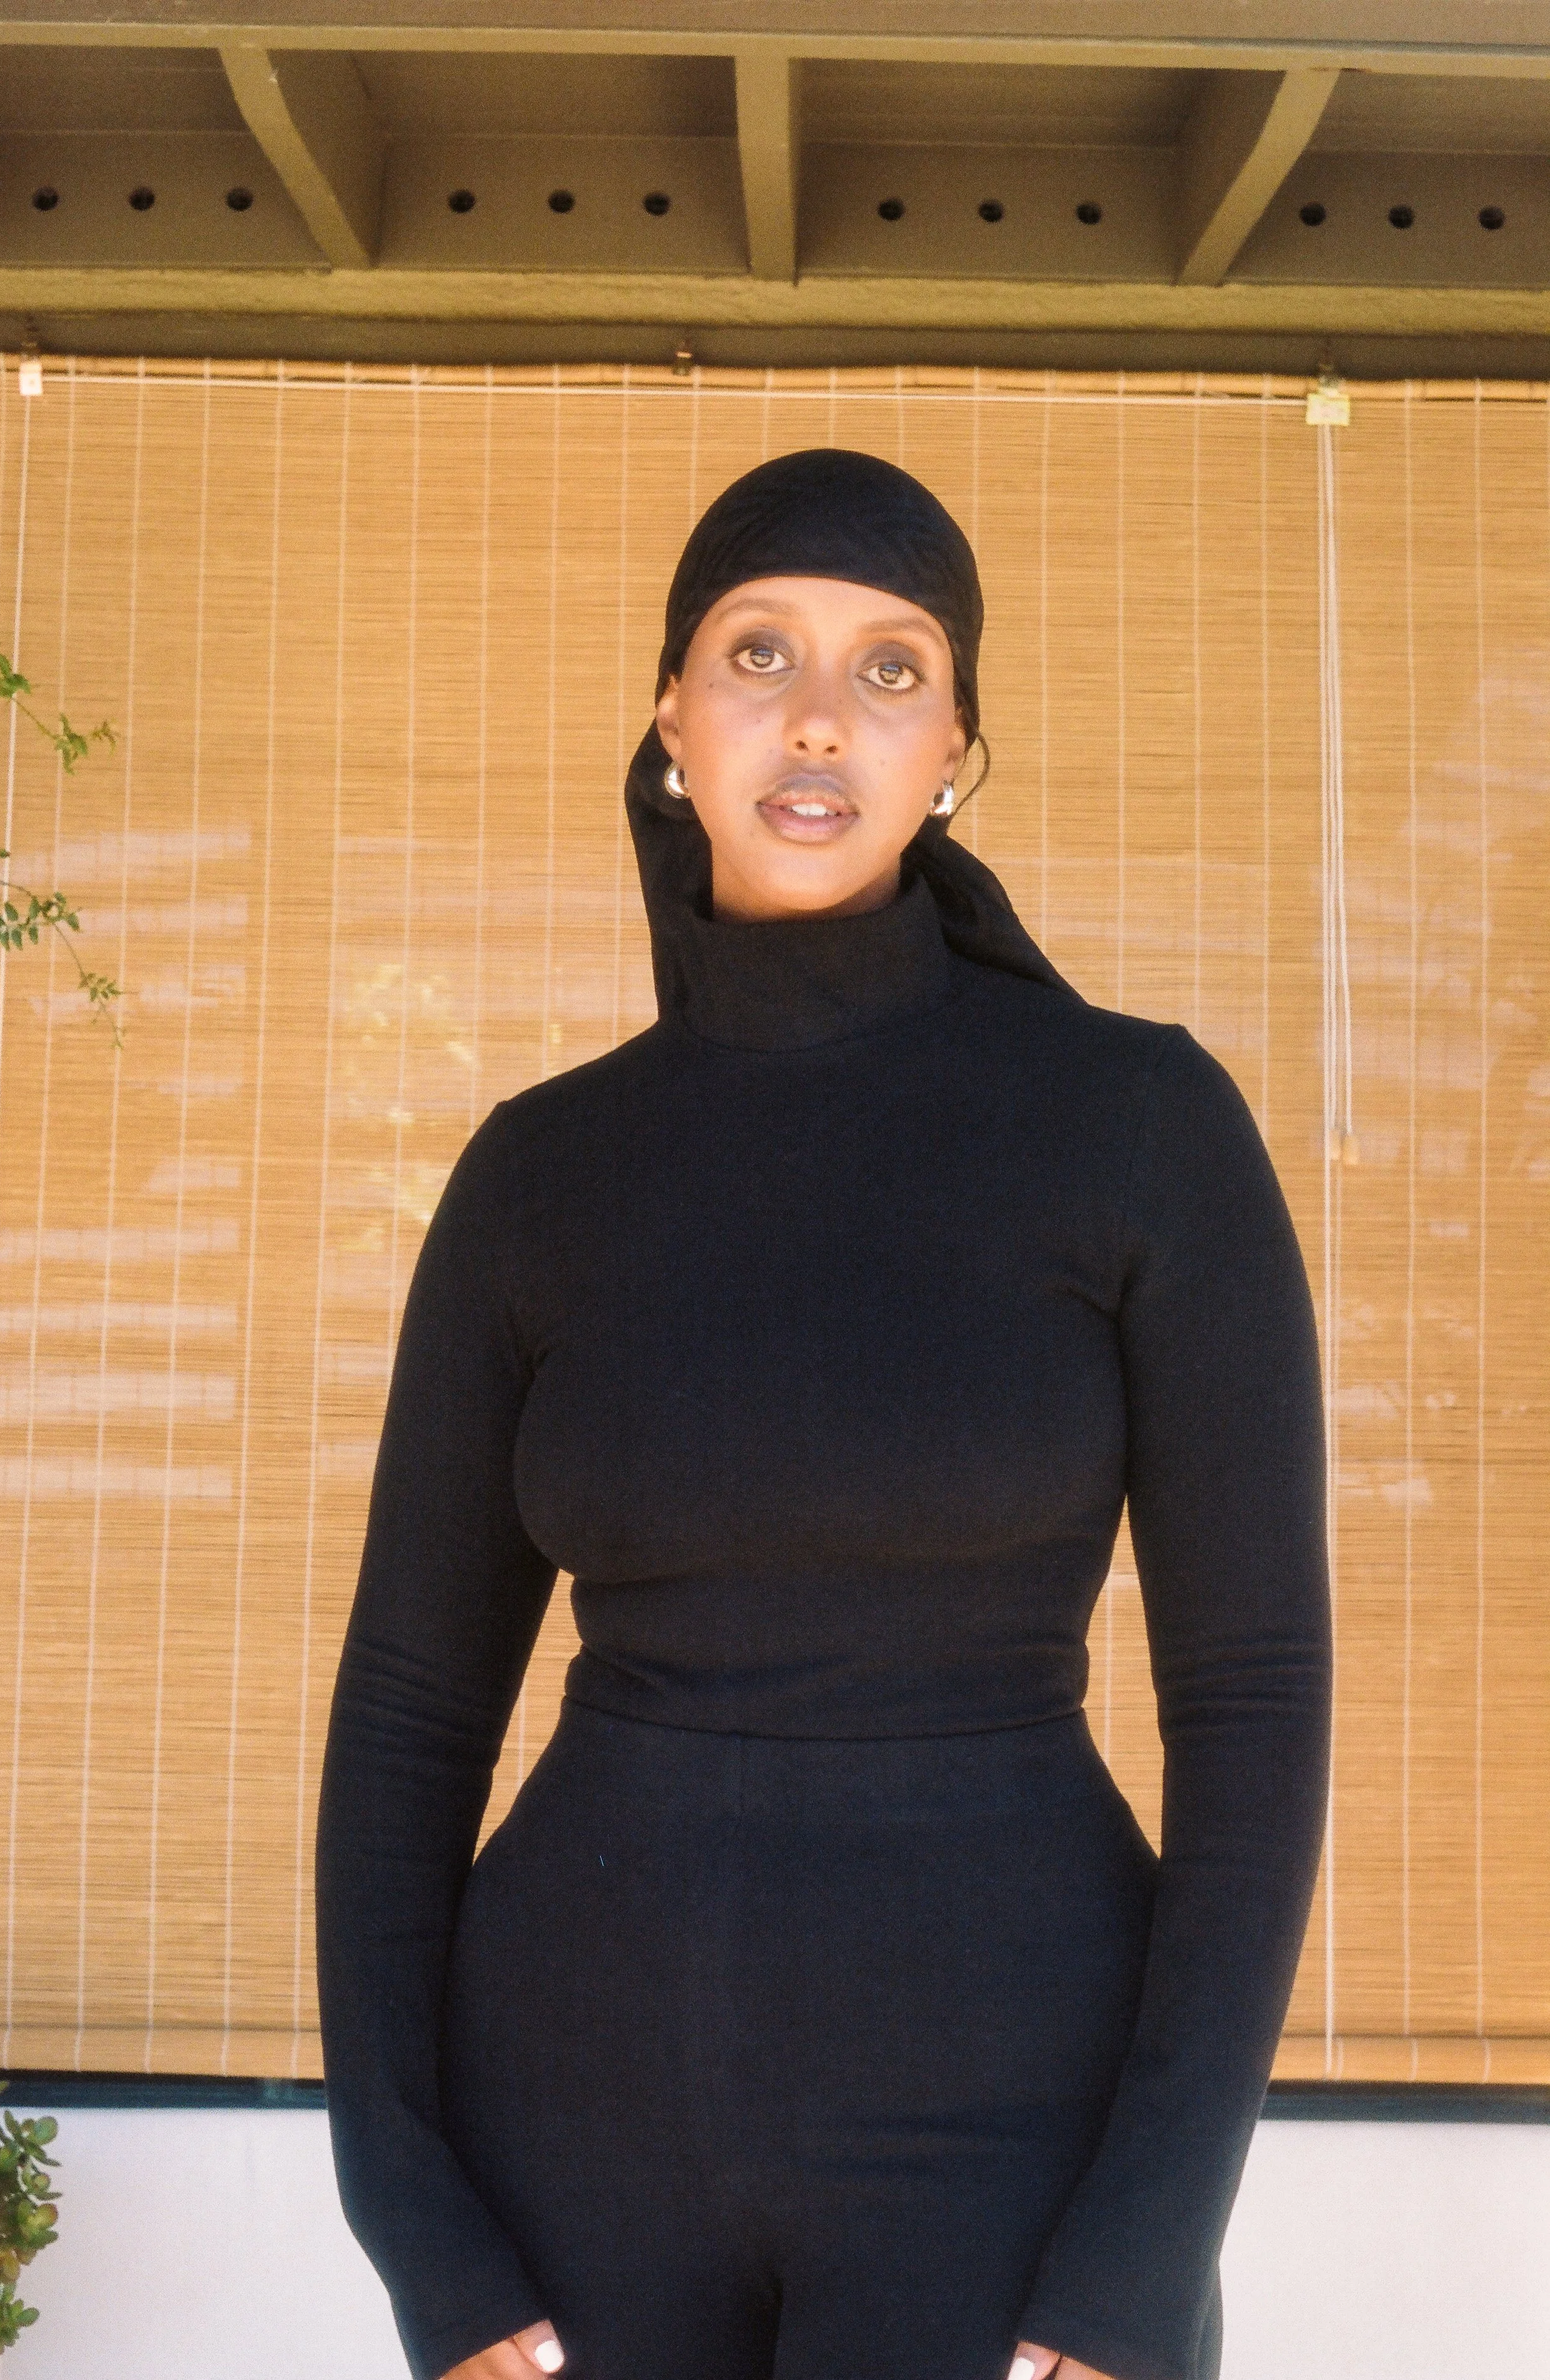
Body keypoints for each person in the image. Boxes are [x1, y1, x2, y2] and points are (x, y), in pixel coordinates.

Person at [314, 448, 1332, 2380]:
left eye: (888, 669)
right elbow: (410, 1705)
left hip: (1012, 2145)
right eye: (757, 652)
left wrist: (1142, 2249)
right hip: (571, 2133)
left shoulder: (1137, 1127)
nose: (813, 715)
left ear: (954, 746)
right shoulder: (541, 1171)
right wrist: (412, 2215)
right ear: (671, 723)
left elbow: (1255, 1699)